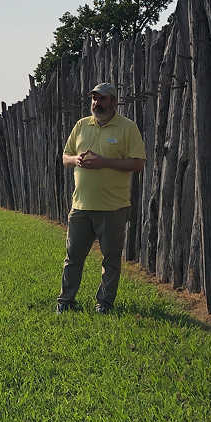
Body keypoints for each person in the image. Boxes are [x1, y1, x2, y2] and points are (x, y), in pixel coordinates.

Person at [57, 82, 146, 313]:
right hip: (81, 206)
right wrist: (76, 160)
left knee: (111, 260)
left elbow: (138, 163)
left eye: (102, 99)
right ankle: (65, 302)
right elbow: (65, 156)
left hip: (113, 208)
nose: (97, 103)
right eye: (94, 99)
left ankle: (104, 305)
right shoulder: (81, 125)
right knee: (73, 258)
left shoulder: (127, 128)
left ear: (114, 102)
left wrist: (104, 162)